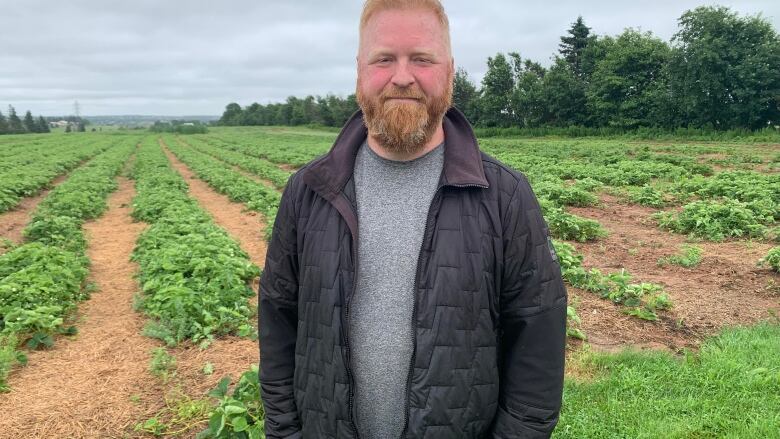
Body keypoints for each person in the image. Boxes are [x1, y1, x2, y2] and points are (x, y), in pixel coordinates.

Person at [259, 0, 568, 437]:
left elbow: (536, 344)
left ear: (450, 71)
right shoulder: (308, 192)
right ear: (359, 71)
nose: (402, 76)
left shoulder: (505, 196)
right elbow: (278, 323)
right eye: (384, 58)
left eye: (422, 59)